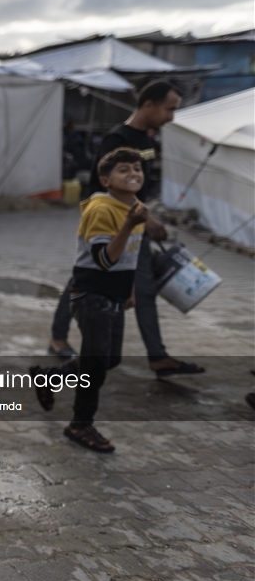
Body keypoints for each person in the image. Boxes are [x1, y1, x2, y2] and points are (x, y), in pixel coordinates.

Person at [48, 81, 203, 379]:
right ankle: (58, 342)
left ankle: (157, 356)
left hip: (135, 225)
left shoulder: (148, 139)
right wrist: (141, 217)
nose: (172, 116)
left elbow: (140, 184)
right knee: (84, 279)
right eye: (169, 109)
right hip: (113, 224)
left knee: (139, 288)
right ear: (148, 105)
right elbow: (101, 187)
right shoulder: (116, 139)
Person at [32, 148, 149, 453]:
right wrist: (128, 224)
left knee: (110, 359)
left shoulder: (134, 207)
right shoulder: (102, 210)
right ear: (105, 179)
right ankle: (80, 425)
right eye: (124, 169)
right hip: (92, 296)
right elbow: (105, 259)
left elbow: (130, 256)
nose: (133, 173)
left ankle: (48, 378)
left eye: (137, 168)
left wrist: (131, 290)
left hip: (114, 297)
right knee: (96, 366)